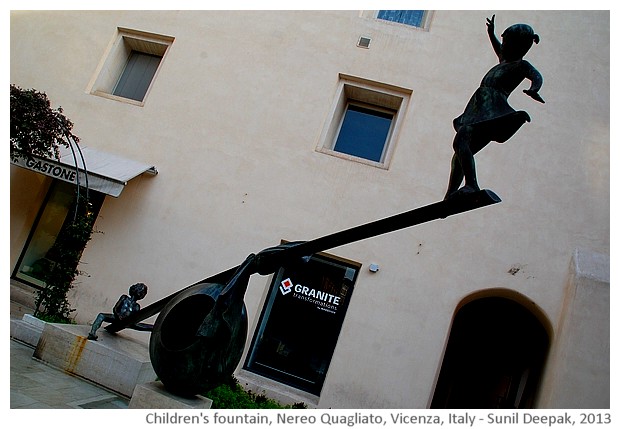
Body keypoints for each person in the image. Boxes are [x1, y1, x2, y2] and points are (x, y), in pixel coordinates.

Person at [444, 15, 545, 200]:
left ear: (518, 46)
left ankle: (471, 185)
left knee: (461, 140)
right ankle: (451, 194)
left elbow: (536, 76)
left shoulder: (520, 65)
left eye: (506, 42)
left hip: (494, 108)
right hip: (480, 106)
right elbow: (497, 47)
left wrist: (534, 89)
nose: (503, 46)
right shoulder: (504, 61)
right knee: (460, 147)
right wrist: (491, 33)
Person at [87, 282, 152, 340]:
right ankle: (92, 333)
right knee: (101, 315)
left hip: (127, 322)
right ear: (136, 289)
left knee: (146, 327)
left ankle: (155, 329)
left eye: (143, 293)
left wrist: (128, 322)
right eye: (142, 292)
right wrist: (118, 315)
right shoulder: (124, 297)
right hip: (117, 318)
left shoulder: (137, 306)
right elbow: (115, 308)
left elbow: (134, 319)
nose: (142, 294)